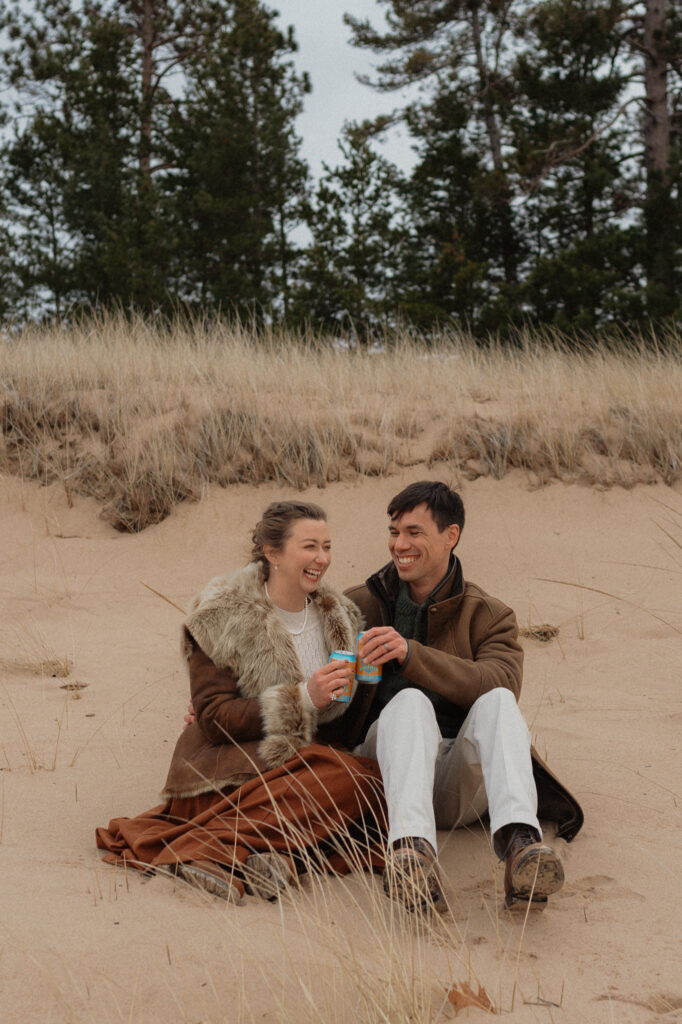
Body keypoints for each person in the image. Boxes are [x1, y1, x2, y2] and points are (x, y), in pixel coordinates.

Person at [96, 501, 386, 903]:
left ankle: (255, 854)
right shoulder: (222, 615)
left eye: (327, 546)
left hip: (301, 769)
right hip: (229, 766)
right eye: (309, 547)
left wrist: (362, 684)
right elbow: (213, 718)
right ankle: (220, 848)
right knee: (345, 782)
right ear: (272, 552)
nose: (322, 559)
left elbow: (340, 728)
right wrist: (304, 698)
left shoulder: (341, 617)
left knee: (367, 782)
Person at [320, 480, 583, 915]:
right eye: (394, 531)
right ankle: (413, 854)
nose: (399, 544)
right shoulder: (356, 605)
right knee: (409, 704)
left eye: (413, 533)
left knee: (498, 701)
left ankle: (521, 847)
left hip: (462, 779)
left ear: (451, 536)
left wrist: (410, 655)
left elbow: (500, 680)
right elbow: (299, 661)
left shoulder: (489, 614)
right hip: (383, 774)